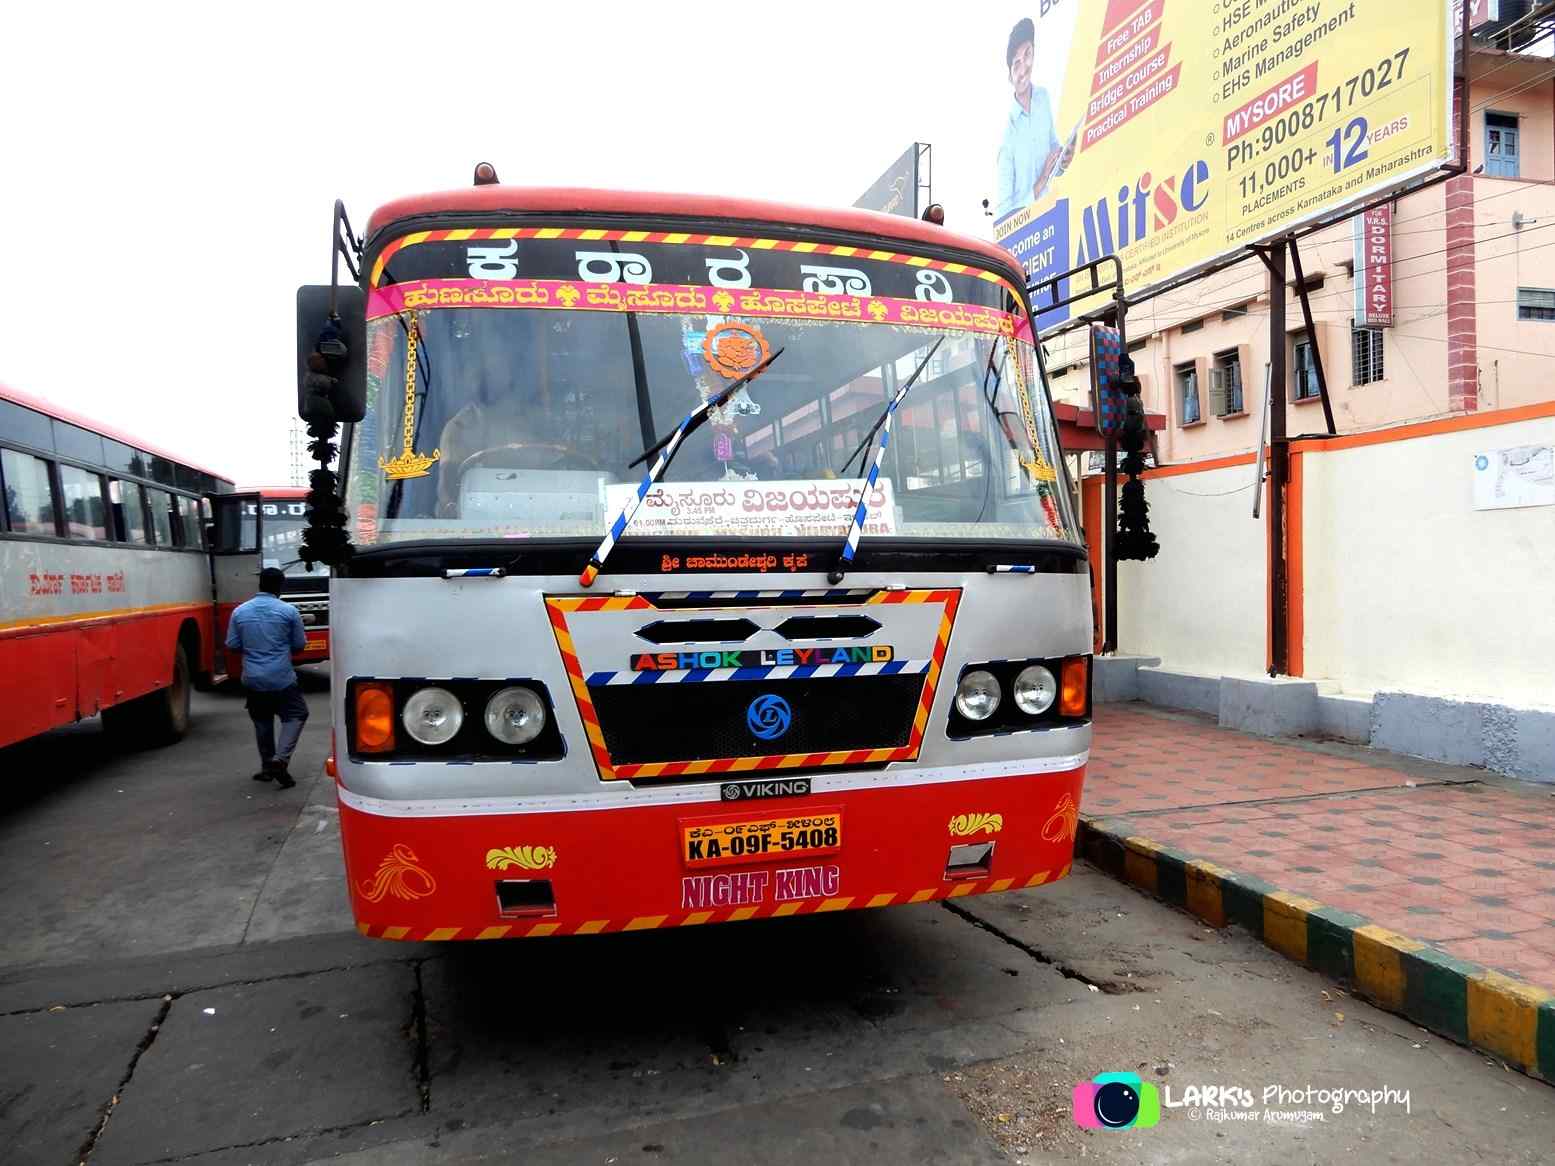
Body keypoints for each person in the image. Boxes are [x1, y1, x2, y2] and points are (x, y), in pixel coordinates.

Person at [225, 567, 308, 788]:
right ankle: (280, 759)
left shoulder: (240, 612)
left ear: (260, 584)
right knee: (296, 714)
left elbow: (232, 645)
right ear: (281, 586)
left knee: (262, 721)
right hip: (281, 677)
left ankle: (266, 768)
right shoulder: (289, 612)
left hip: (253, 678)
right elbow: (299, 645)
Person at [995, 17, 1076, 219]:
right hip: (1026, 234)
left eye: (1028, 54)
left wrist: (1063, 159)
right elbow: (1004, 212)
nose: (1024, 69)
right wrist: (1039, 184)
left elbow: (1052, 157)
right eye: (1016, 64)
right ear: (1009, 75)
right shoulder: (1007, 135)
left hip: (1051, 216)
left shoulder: (1043, 98)